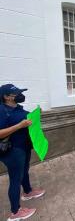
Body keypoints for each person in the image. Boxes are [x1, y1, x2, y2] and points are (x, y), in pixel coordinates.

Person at [0, 84, 45, 221]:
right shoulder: (1, 110)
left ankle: (28, 191)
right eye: (16, 94)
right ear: (6, 97)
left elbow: (25, 119)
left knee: (24, 170)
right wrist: (19, 126)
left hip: (24, 146)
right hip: (12, 150)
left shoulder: (17, 107)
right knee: (15, 178)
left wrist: (35, 115)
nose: (20, 95)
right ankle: (15, 212)